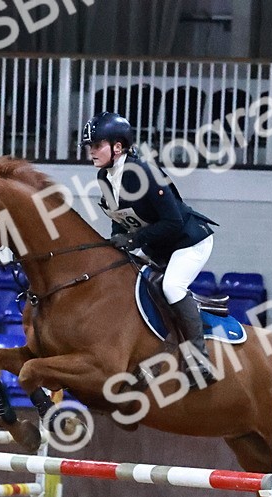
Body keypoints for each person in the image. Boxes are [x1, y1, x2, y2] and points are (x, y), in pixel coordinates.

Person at [80, 111, 219, 379]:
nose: (92, 152)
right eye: (90, 147)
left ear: (117, 147)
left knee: (171, 287)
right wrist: (115, 244)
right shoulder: (104, 178)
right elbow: (120, 219)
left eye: (97, 146)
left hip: (189, 241)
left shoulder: (143, 172)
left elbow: (173, 221)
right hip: (159, 245)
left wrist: (133, 241)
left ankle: (200, 362)